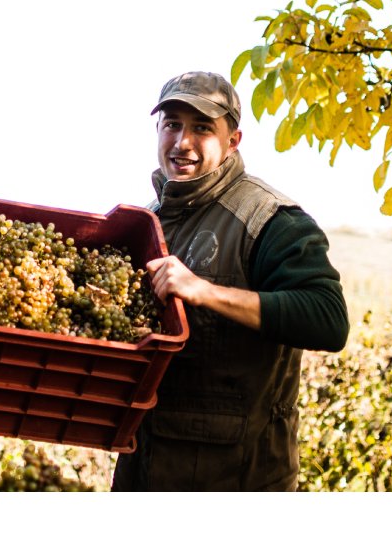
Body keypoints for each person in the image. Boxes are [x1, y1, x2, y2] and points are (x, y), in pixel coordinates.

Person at [111, 71, 350, 491]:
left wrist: (205, 292)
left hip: (238, 480)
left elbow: (327, 319)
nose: (182, 142)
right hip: (144, 474)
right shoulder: (150, 221)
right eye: (172, 124)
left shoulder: (270, 219)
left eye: (202, 128)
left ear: (232, 141)